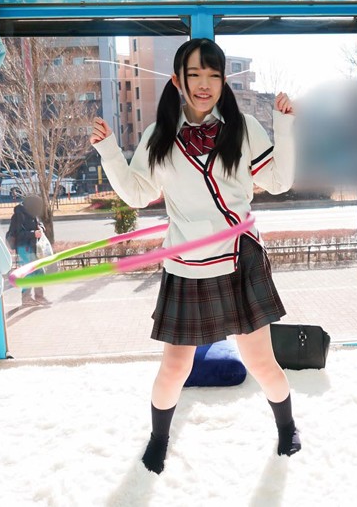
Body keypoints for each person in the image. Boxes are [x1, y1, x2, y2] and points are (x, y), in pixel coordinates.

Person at [90, 38, 300, 474]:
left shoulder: (243, 128)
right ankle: (159, 439)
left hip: (238, 258)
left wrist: (283, 126)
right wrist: (109, 149)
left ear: (223, 81)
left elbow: (279, 182)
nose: (204, 84)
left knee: (261, 362)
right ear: (177, 80)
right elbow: (137, 194)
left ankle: (287, 427)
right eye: (195, 74)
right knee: (174, 367)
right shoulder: (158, 136)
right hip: (186, 266)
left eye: (213, 75)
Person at [7, 194, 51, 307]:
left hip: (33, 246)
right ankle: (27, 298)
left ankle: (39, 297)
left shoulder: (32, 213)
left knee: (39, 271)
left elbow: (39, 223)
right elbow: (18, 234)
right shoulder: (19, 215)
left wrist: (41, 228)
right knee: (29, 272)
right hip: (24, 247)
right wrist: (33, 234)